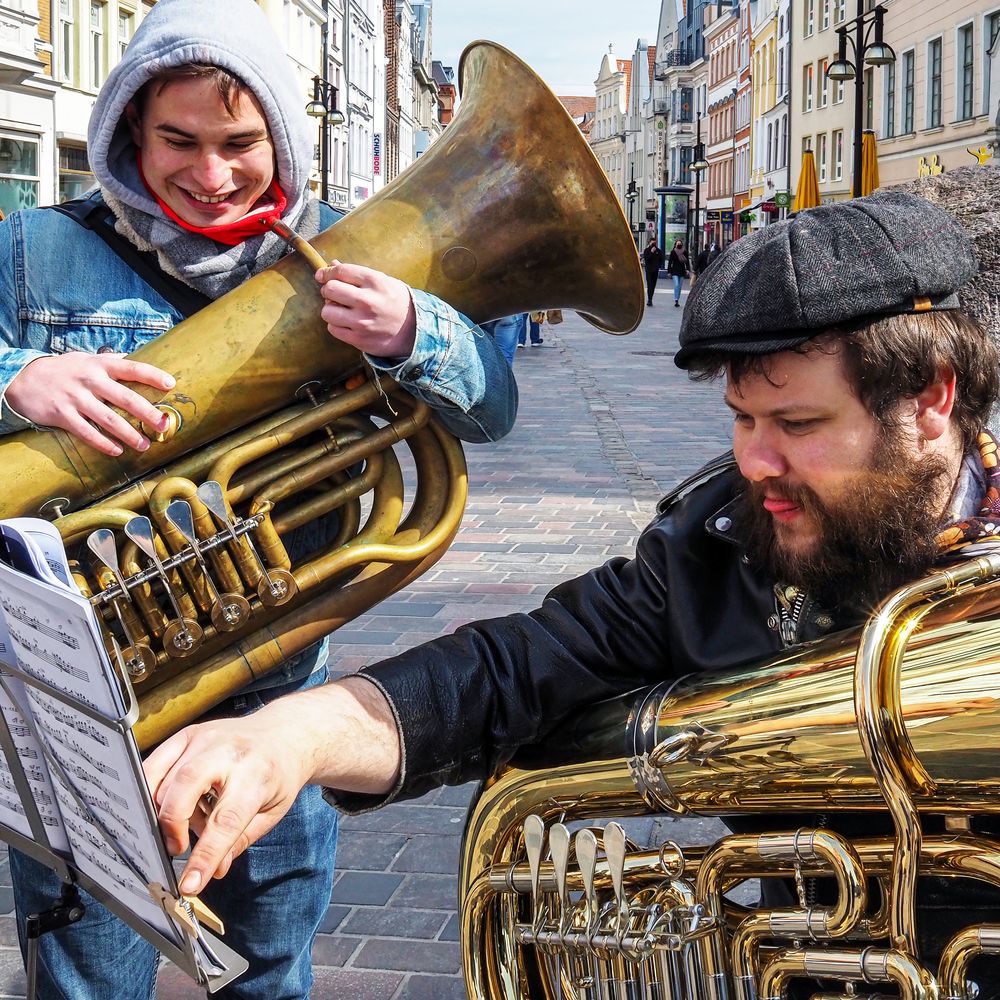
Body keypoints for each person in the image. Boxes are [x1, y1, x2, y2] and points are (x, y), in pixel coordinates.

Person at [146, 192, 1000, 995]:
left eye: (799, 426)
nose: (754, 463)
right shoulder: (717, 544)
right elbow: (514, 669)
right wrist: (294, 734)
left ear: (930, 397)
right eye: (742, 419)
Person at [0, 1, 518, 997]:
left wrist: (419, 331)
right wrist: (17, 376)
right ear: (126, 132)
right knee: (84, 982)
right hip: (83, 710)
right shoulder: (31, 246)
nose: (210, 173)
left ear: (276, 132)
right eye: (176, 142)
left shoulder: (350, 247)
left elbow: (493, 408)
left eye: (239, 143)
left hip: (276, 701)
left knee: (268, 974)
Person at [665, 237, 690, 307]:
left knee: (680, 286)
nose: (679, 245)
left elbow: (686, 261)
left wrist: (688, 269)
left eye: (680, 243)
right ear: (675, 244)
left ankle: (677, 299)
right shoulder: (673, 252)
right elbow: (670, 262)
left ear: (682, 244)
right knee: (676, 285)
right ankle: (676, 299)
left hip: (682, 270)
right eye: (677, 243)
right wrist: (669, 272)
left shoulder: (684, 251)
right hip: (675, 270)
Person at [641, 235, 665, 306]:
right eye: (652, 243)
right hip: (649, 270)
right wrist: (651, 252)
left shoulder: (659, 251)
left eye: (654, 243)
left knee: (653, 285)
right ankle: (649, 299)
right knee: (649, 284)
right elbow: (647, 259)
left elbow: (661, 259)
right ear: (649, 243)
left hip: (655, 270)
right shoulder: (647, 250)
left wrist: (659, 266)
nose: (653, 245)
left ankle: (650, 297)